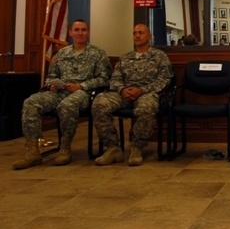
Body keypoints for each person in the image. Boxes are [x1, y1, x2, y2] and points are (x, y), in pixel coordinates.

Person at [13, 19, 112, 169]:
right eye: (77, 30)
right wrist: (52, 85)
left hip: (83, 93)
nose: (80, 33)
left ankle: (65, 148)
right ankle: (32, 152)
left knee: (67, 105)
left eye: (83, 30)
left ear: (88, 32)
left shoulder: (98, 53)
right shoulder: (61, 53)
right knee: (31, 102)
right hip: (60, 91)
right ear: (70, 33)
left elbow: (105, 79)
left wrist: (81, 85)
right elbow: (51, 76)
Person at [92, 24, 173, 166]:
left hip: (147, 93)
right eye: (134, 33)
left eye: (141, 33)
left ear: (149, 36)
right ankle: (113, 148)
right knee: (99, 103)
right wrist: (122, 90)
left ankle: (137, 147)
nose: (137, 35)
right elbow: (115, 79)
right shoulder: (125, 57)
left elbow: (164, 79)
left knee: (146, 107)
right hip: (124, 93)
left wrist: (142, 90)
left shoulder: (159, 56)